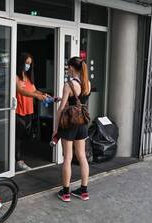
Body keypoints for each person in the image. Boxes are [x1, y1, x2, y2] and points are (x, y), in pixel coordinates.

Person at [53, 56, 91, 202]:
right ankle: (84, 191)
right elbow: (79, 101)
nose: (67, 70)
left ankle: (66, 192)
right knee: (82, 156)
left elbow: (62, 109)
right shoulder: (87, 82)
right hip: (82, 124)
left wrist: (56, 129)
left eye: (67, 67)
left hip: (69, 125)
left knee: (67, 157)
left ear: (71, 68)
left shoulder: (68, 84)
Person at [16, 53, 47, 171]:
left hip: (29, 111)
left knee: (25, 136)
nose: (28, 66)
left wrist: (43, 94)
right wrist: (36, 95)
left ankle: (19, 159)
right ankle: (18, 160)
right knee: (18, 137)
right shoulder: (16, 76)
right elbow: (20, 91)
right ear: (21, 62)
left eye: (30, 64)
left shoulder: (28, 77)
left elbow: (34, 90)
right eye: (26, 63)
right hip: (19, 110)